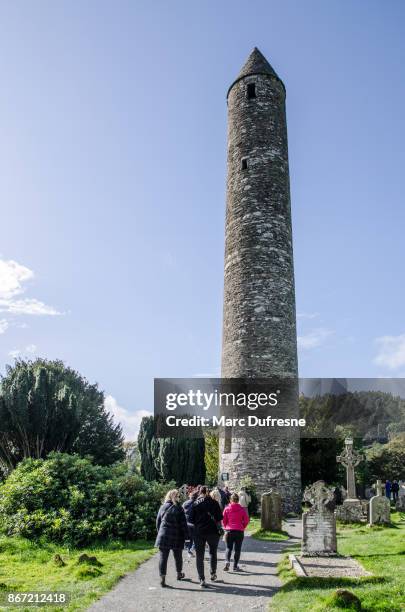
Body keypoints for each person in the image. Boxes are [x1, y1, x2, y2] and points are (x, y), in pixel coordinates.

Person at [189, 485, 223, 588]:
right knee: (213, 553)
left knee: (200, 556)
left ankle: (201, 579)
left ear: (200, 492)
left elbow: (191, 520)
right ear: (208, 492)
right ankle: (213, 573)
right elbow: (219, 518)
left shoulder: (195, 504)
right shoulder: (214, 503)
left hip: (199, 532)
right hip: (213, 531)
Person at [155, 489, 188, 587]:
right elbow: (183, 524)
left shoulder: (163, 507)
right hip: (176, 535)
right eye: (178, 496)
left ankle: (162, 578)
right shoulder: (179, 508)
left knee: (163, 557)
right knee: (178, 556)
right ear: (176, 497)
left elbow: (158, 522)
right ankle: (179, 574)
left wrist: (160, 532)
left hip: (164, 535)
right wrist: (187, 537)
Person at [222, 492, 249, 571]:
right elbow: (246, 520)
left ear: (230, 500)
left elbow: (223, 520)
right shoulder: (242, 509)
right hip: (239, 531)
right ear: (238, 500)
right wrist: (242, 526)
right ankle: (235, 566)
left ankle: (227, 561)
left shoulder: (227, 508)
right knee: (237, 549)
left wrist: (226, 526)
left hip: (229, 531)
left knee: (228, 548)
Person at [183, 490, 198, 556]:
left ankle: (188, 549)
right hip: (194, 523)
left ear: (190, 496)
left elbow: (182, 512)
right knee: (195, 538)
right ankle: (191, 549)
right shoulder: (197, 504)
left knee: (188, 537)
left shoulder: (185, 503)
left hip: (186, 522)